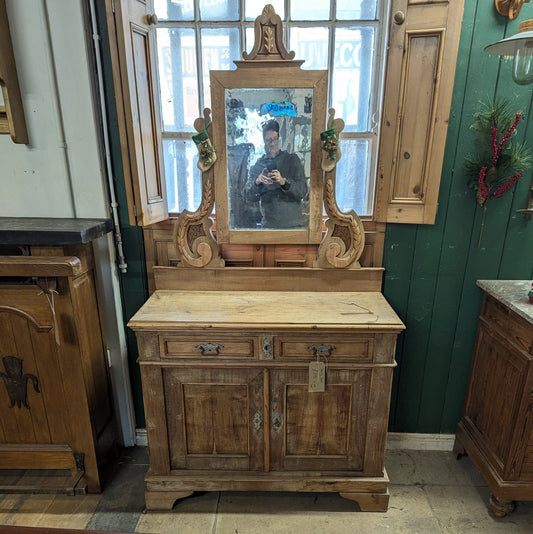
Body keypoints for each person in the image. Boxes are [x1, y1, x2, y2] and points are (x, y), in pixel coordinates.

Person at [245, 120, 307, 229]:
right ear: (264, 141)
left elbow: (303, 191)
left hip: (293, 227)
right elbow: (248, 196)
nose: (272, 143)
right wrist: (257, 182)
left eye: (275, 139)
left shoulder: (292, 160)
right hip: (269, 227)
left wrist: (284, 182)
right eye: (269, 140)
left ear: (278, 139)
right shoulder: (258, 166)